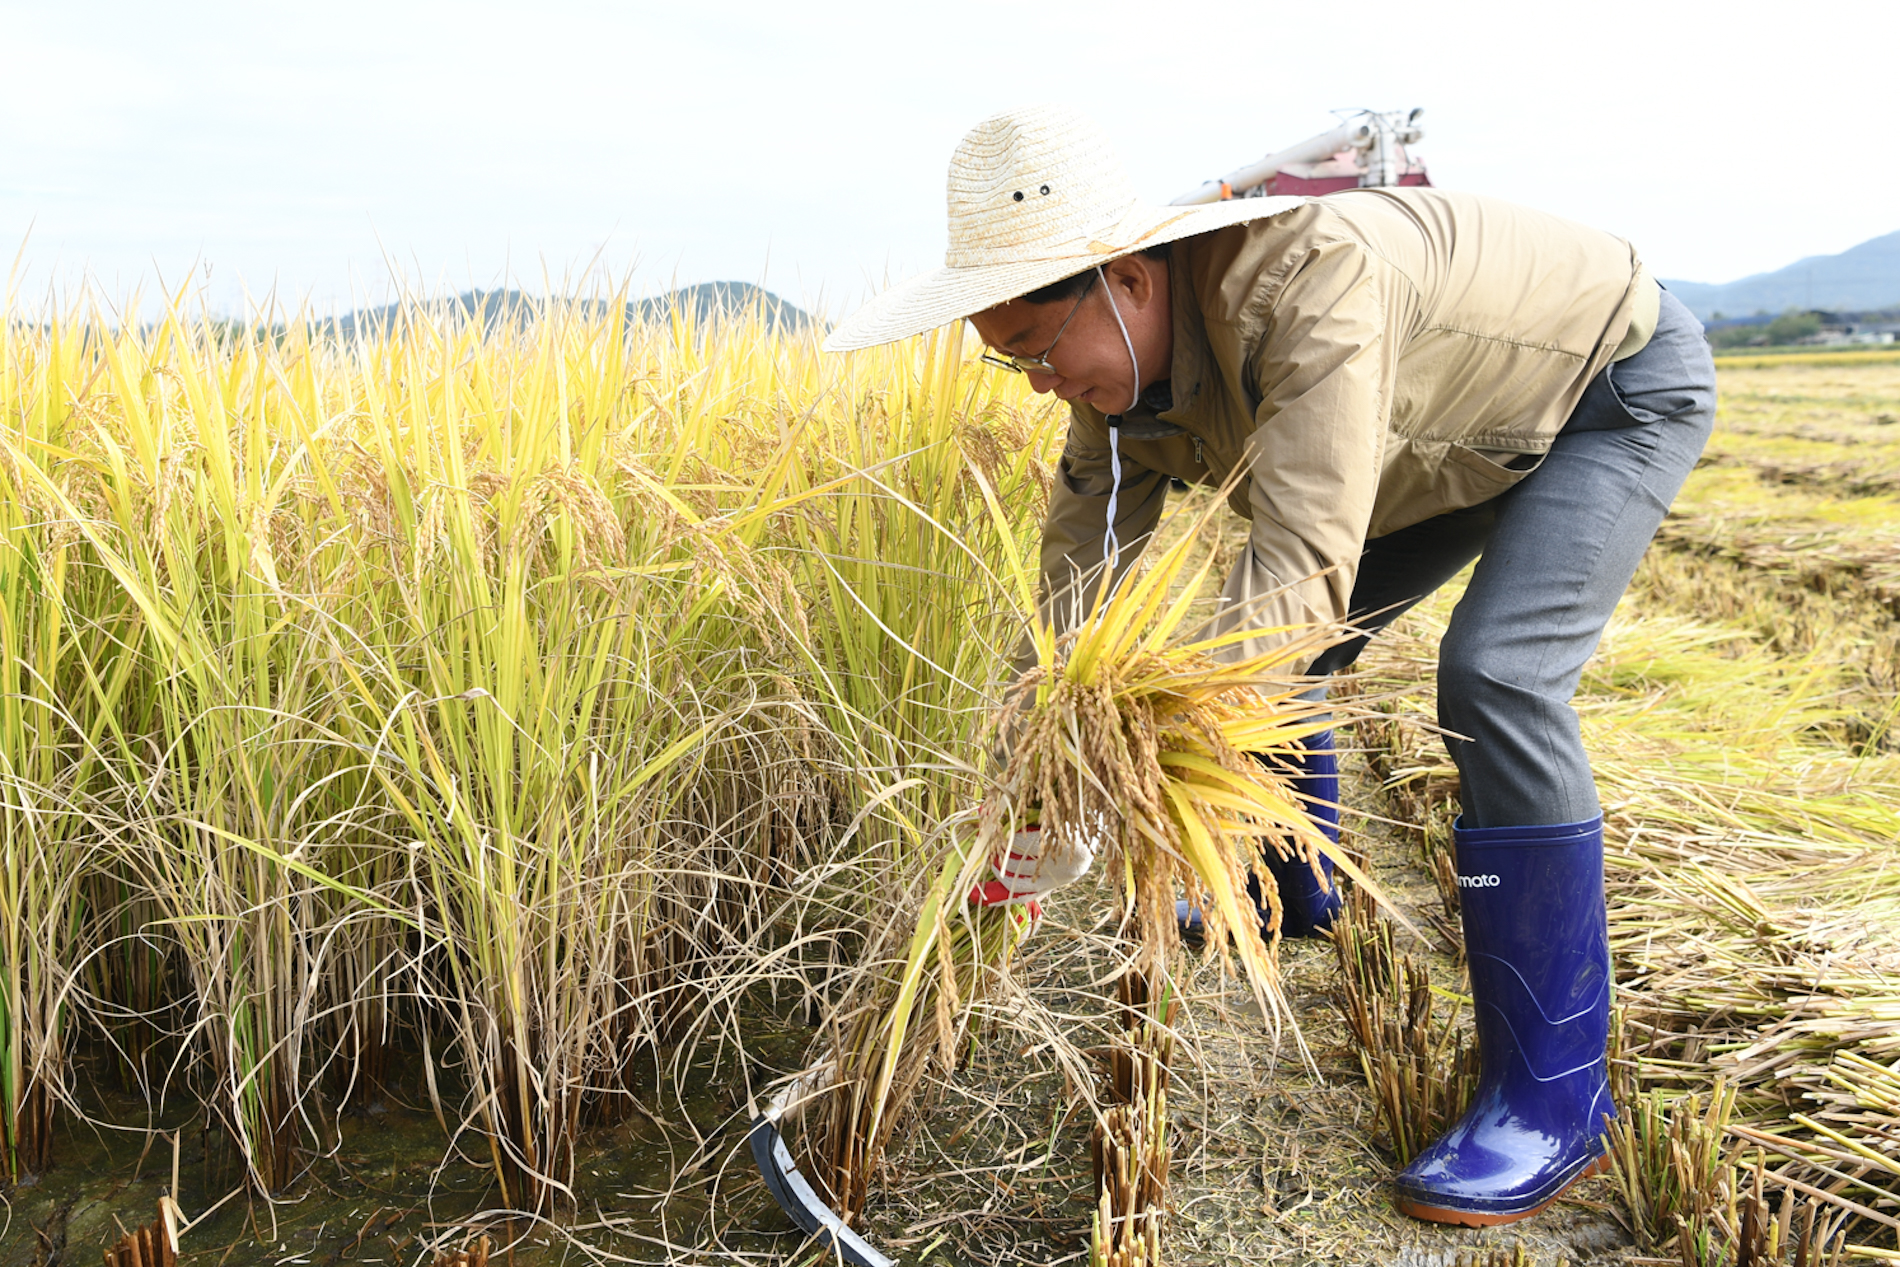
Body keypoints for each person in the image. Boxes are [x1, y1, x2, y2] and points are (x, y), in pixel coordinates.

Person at [822, 104, 1714, 1228]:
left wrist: (1148, 769)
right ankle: (1289, 886)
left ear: (1127, 282)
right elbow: (1077, 580)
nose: (1041, 385)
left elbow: (1298, 566)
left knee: (1492, 677)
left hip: (1601, 393)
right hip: (1436, 441)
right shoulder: (1113, 390)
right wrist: (1033, 764)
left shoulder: (1311, 287)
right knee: (1275, 649)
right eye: (1011, 365)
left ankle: (1555, 1101)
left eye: (1040, 352)